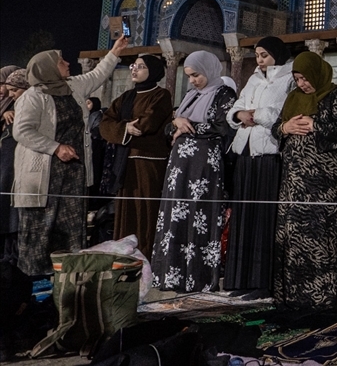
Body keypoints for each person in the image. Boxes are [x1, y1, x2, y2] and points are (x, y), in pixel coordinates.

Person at [12, 38, 127, 276]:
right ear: (48, 68)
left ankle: (67, 277)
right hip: (44, 174)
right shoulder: (33, 96)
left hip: (73, 171)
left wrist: (114, 53)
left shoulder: (73, 87)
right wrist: (55, 148)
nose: (66, 63)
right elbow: (22, 131)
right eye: (61, 60)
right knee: (40, 228)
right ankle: (34, 283)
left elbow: (97, 75)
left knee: (71, 226)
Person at [272, 52, 337, 310]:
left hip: (325, 185)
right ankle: (293, 295)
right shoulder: (293, 98)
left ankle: (324, 296)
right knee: (293, 237)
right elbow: (277, 127)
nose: (302, 84)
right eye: (297, 79)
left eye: (306, 78)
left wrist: (316, 124)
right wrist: (284, 129)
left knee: (321, 237)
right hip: (294, 183)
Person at [151, 51, 236, 293]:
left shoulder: (224, 94)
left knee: (199, 218)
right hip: (180, 167)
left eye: (196, 75)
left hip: (204, 166)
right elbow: (171, 127)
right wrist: (176, 124)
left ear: (208, 70)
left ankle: (197, 278)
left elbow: (224, 125)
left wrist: (190, 128)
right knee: (176, 217)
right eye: (189, 76)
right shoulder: (190, 96)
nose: (193, 80)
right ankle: (173, 275)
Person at [224, 36, 293, 294]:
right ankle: (240, 279)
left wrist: (256, 115)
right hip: (246, 152)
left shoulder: (289, 78)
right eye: (258, 55)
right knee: (244, 217)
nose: (260, 60)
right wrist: (240, 115)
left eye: (264, 55)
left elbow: (281, 113)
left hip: (269, 154)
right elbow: (237, 107)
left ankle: (262, 282)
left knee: (264, 219)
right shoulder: (253, 78)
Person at [98, 54, 173, 259]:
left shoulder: (161, 95)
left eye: (140, 67)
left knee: (146, 210)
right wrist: (125, 127)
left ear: (154, 72)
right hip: (125, 163)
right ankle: (125, 255)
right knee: (127, 211)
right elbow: (105, 124)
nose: (134, 70)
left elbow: (147, 124)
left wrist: (127, 127)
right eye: (134, 65)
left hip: (149, 164)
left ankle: (147, 256)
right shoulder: (126, 97)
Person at [1, 68, 28, 262]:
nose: (6, 92)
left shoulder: (24, 106)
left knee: (13, 216)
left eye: (11, 89)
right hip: (6, 167)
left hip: (14, 169)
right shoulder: (6, 107)